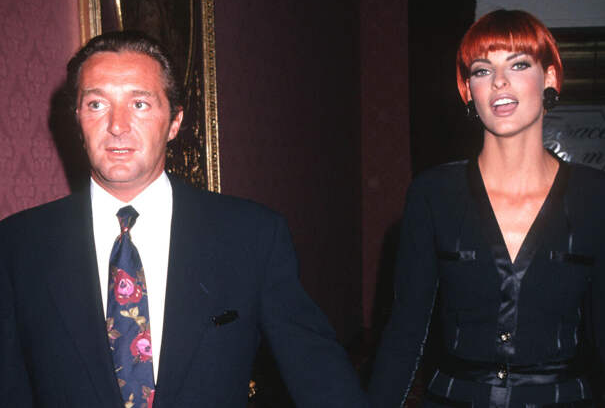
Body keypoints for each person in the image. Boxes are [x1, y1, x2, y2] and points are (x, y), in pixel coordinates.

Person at [0, 31, 367, 408]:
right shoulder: (18, 246)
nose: (117, 125)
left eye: (139, 104)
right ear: (77, 119)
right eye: (96, 104)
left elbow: (319, 373)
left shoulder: (252, 235)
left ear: (175, 121)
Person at [369, 9, 605, 408]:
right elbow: (404, 333)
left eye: (518, 64)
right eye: (482, 70)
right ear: (468, 90)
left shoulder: (600, 197)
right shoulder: (433, 194)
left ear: (549, 77)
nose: (499, 80)